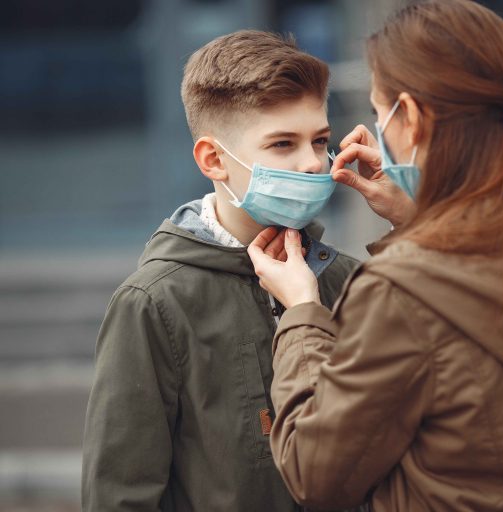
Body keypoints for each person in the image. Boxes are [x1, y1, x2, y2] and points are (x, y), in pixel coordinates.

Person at [247, 2, 503, 511]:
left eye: (379, 112)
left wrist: (304, 315)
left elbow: (315, 471)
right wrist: (419, 220)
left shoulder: (404, 293)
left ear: (410, 117)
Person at [82, 30, 360, 511]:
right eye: (281, 144)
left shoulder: (349, 281)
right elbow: (120, 493)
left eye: (320, 140)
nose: (313, 163)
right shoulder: (154, 303)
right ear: (214, 160)